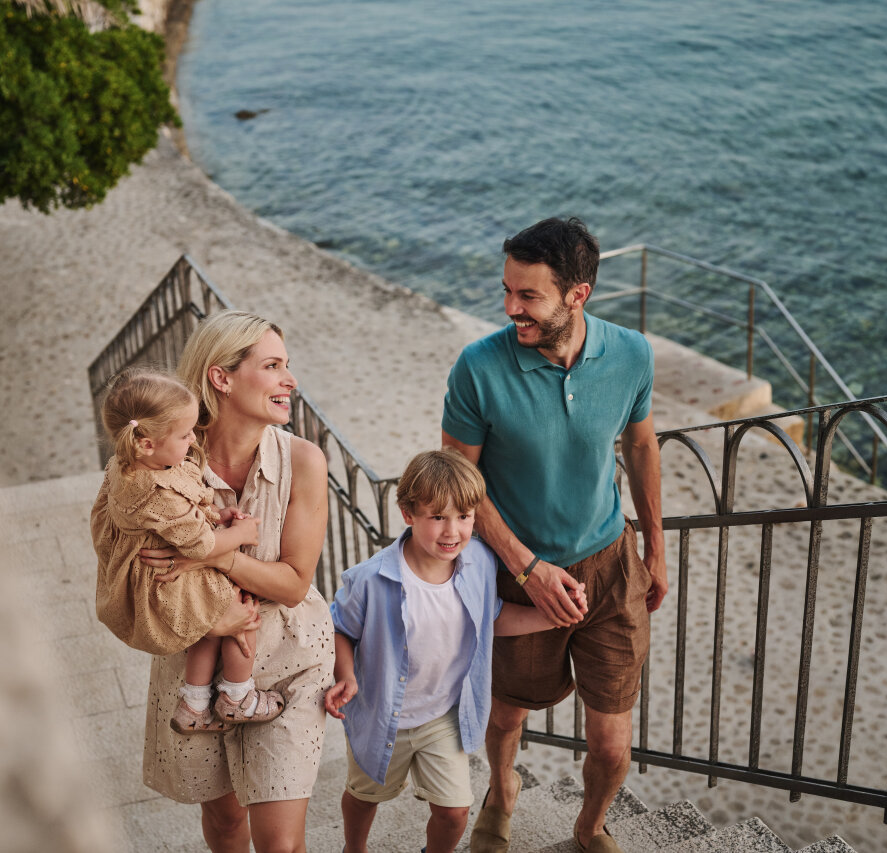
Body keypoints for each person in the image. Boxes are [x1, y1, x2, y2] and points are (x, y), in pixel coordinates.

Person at [441, 217, 667, 853]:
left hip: (611, 566)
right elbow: (461, 482)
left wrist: (656, 544)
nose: (513, 308)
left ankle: (590, 826)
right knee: (507, 712)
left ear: (578, 294)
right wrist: (526, 567)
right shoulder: (478, 368)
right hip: (516, 574)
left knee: (612, 741)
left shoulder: (632, 354)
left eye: (529, 296)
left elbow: (642, 443)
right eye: (508, 291)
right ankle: (502, 787)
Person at [130, 310, 332, 853]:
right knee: (223, 825)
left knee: (280, 844)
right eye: (272, 366)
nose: (290, 380)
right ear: (221, 377)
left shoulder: (306, 461)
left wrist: (208, 556)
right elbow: (141, 565)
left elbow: (292, 584)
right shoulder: (166, 461)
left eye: (287, 366)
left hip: (288, 661)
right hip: (192, 662)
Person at [324, 450, 580, 853]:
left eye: (464, 516)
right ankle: (353, 848)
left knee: (456, 811)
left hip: (444, 716)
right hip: (379, 716)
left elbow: (491, 616)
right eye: (437, 517)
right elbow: (340, 627)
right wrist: (347, 674)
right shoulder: (371, 579)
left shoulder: (479, 561)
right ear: (408, 513)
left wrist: (551, 616)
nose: (453, 531)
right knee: (363, 796)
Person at [90, 368, 285, 733]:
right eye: (183, 435)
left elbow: (179, 519)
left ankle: (193, 706)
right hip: (166, 582)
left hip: (155, 569)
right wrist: (240, 530)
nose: (192, 440)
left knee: (207, 625)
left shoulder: (128, 465)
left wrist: (213, 513)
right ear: (146, 443)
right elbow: (203, 545)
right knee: (242, 611)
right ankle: (238, 697)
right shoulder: (157, 489)